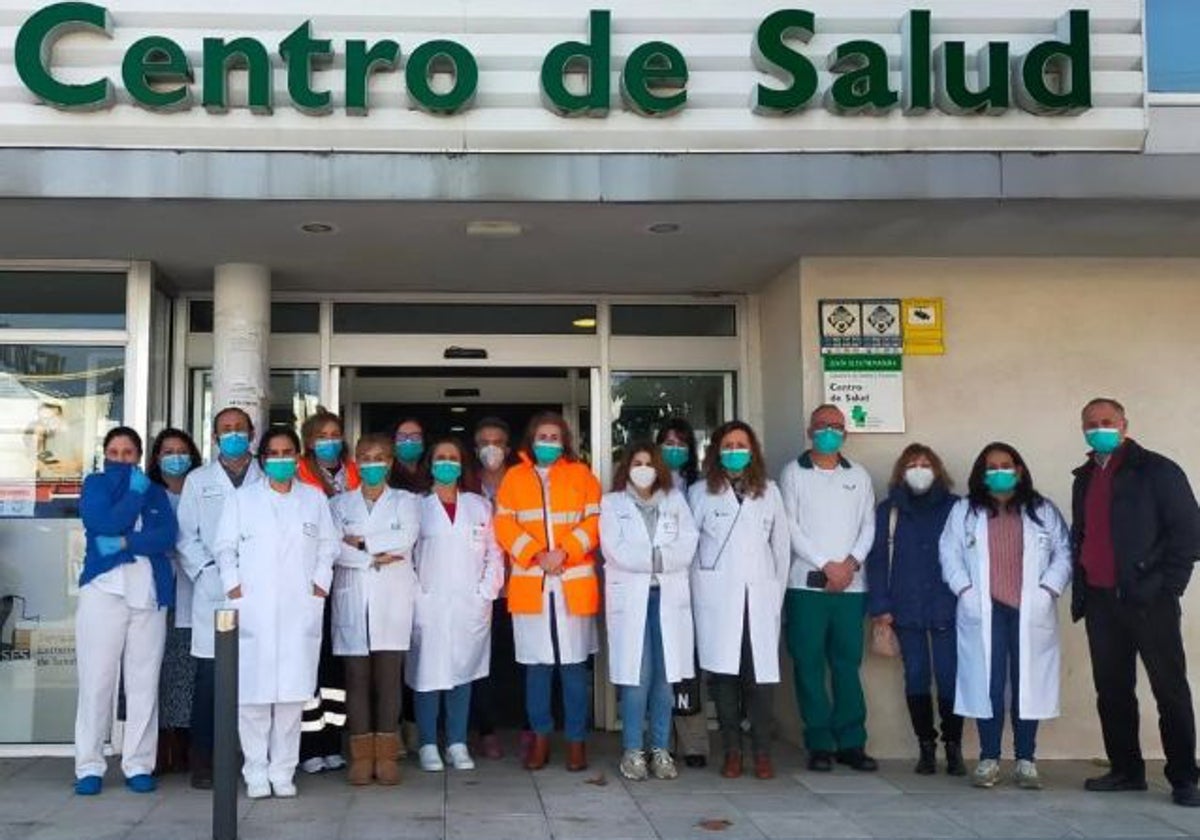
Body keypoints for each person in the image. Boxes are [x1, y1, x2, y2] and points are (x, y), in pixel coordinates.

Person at [1071, 398, 1200, 807]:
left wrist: (1169, 588)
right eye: (1091, 424)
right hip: (1101, 601)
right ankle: (1126, 770)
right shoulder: (1085, 476)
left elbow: (1189, 534)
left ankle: (1184, 777)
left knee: (1170, 689)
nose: (1099, 428)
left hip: (1150, 601)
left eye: (1107, 421)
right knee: (1112, 689)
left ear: (1125, 425)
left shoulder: (1158, 471)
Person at [214, 426, 338, 799]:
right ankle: (255, 771)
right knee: (252, 697)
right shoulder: (242, 500)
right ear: (263, 458)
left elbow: (329, 547)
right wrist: (234, 587)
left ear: (298, 456)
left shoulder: (314, 499)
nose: (281, 459)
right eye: (274, 453)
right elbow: (224, 547)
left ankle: (283, 770)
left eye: (288, 453)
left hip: (300, 606)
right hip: (253, 607)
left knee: (290, 698)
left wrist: (319, 586)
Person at [939, 442, 1071, 790]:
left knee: (1028, 684)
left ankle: (1026, 759)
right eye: (991, 466)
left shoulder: (1041, 510)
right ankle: (989, 758)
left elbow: (1064, 554)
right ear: (982, 474)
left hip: (1029, 609)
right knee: (988, 684)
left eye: (1006, 465)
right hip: (984, 608)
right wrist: (964, 590)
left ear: (1019, 469)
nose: (999, 471)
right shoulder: (966, 511)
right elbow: (948, 553)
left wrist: (1048, 591)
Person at [494, 412, 601, 772]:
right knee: (537, 669)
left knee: (573, 668)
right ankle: (540, 739)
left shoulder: (581, 474)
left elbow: (595, 520)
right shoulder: (514, 477)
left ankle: (575, 742)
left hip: (572, 581)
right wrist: (536, 553)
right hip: (532, 582)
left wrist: (565, 550)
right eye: (543, 435)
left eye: (555, 436)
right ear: (531, 439)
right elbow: (503, 523)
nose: (549, 442)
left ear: (565, 440)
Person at [74, 426, 177, 795]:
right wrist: (133, 497)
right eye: (115, 452)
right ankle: (89, 765)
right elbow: (101, 523)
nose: (121, 459)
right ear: (106, 455)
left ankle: (138, 763)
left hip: (147, 594)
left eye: (129, 453)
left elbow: (166, 536)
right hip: (103, 591)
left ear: (139, 456)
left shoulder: (157, 492)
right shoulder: (96, 485)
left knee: (143, 682)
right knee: (96, 681)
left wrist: (122, 542)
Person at [779, 404, 877, 772]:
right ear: (809, 431)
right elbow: (789, 525)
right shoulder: (793, 473)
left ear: (845, 434)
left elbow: (869, 525)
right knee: (808, 665)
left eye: (836, 427)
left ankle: (852, 742)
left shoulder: (860, 476)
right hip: (807, 586)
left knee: (847, 665)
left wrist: (850, 564)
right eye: (822, 426)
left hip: (851, 587)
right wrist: (826, 565)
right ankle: (819, 741)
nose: (829, 432)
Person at [690, 420, 790, 780]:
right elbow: (691, 549)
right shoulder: (700, 493)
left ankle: (761, 751)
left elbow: (781, 549)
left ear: (753, 451)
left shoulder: (770, 492)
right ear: (717, 450)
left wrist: (774, 596)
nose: (735, 450)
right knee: (724, 679)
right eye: (728, 444)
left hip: (760, 599)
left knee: (760, 680)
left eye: (741, 444)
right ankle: (732, 751)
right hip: (718, 599)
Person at [176, 406, 263, 789]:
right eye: (226, 430)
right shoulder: (199, 480)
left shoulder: (267, 477)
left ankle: (254, 759)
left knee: (258, 679)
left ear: (252, 433)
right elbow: (185, 536)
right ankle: (205, 762)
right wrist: (211, 572)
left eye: (239, 429)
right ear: (214, 438)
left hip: (262, 589)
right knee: (211, 681)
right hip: (214, 591)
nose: (233, 435)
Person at [601, 442, 699, 782]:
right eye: (637, 462)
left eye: (648, 462)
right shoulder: (612, 503)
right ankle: (632, 750)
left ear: (658, 468)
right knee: (637, 676)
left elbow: (687, 544)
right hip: (632, 600)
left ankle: (659, 749)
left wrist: (656, 560)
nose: (643, 468)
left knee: (665, 677)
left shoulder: (675, 501)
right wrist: (658, 560)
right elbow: (615, 549)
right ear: (627, 467)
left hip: (667, 598)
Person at [866, 444, 964, 776]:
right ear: (901, 471)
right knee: (917, 678)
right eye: (912, 464)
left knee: (950, 678)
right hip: (905, 608)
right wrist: (880, 605)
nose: (919, 469)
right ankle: (926, 746)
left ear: (937, 470)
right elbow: (877, 561)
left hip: (948, 608)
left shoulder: (956, 508)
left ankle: (954, 747)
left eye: (925, 463)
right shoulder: (888, 511)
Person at [408, 437, 504, 772]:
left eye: (452, 458)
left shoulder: (479, 505)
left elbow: (495, 552)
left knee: (463, 672)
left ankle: (458, 742)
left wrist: (485, 593)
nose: (446, 463)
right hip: (429, 601)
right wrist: (417, 596)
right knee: (427, 675)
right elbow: (405, 555)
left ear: (462, 464)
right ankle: (428, 743)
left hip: (470, 602)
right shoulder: (415, 505)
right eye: (440, 457)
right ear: (430, 464)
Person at [329, 434, 420, 786]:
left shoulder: (407, 502)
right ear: (355, 461)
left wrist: (361, 544)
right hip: (353, 599)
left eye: (379, 456)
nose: (372, 463)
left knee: (389, 679)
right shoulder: (339, 505)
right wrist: (375, 554)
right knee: (356, 678)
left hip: (392, 600)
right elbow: (336, 549)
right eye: (365, 457)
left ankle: (386, 754)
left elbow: (405, 539)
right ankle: (361, 756)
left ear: (391, 462)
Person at [295, 410, 358, 775]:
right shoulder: (300, 473)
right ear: (309, 441)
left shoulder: (353, 470)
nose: (329, 440)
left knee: (336, 670)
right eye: (322, 435)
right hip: (310, 583)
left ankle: (333, 742)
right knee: (309, 666)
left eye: (335, 433)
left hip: (347, 582)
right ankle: (308, 746)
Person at [148, 427, 203, 775]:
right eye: (168, 451)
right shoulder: (149, 494)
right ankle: (158, 744)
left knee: (186, 670)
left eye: (181, 451)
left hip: (195, 588)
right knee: (156, 669)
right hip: (156, 589)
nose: (175, 457)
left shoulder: (201, 490)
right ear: (156, 458)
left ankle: (183, 743)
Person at [655, 418, 710, 768]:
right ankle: (662, 740)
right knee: (663, 667)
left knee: (688, 668)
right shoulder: (648, 484)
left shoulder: (702, 486)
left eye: (681, 443)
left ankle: (693, 743)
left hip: (695, 586)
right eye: (668, 442)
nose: (674, 449)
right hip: (661, 583)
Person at [471, 416, 517, 760]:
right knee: (480, 661)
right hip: (478, 588)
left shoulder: (521, 482)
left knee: (515, 660)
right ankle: (486, 730)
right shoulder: (467, 484)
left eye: (498, 441)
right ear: (475, 449)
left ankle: (524, 726)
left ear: (508, 448)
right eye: (485, 442)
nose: (492, 448)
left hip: (519, 586)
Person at [390, 417, 430, 494]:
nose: (408, 441)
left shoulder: (431, 475)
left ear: (424, 442)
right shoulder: (386, 476)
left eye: (415, 437)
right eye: (402, 437)